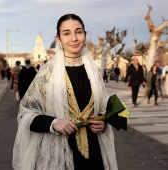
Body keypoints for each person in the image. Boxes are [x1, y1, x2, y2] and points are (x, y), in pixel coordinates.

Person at [13, 14, 118, 170]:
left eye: (79, 32)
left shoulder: (93, 73)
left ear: (85, 34)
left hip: (94, 155)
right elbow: (26, 114)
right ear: (59, 38)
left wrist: (102, 123)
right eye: (67, 33)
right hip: (59, 156)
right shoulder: (47, 74)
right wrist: (53, 122)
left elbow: (104, 109)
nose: (74, 38)